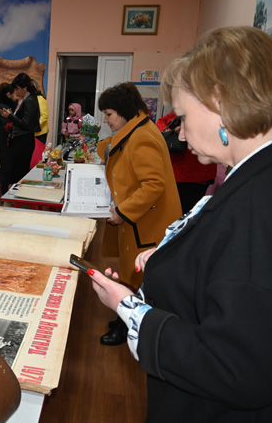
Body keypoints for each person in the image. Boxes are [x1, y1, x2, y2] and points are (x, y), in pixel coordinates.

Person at [89, 26, 272, 421]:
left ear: (219, 101)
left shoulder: (266, 204)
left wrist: (127, 308)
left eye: (181, 117)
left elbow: (238, 366)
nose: (179, 132)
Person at [95, 82, 181, 346]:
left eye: (109, 114)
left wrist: (123, 211)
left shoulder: (142, 137)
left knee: (139, 277)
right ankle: (125, 317)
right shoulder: (133, 130)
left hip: (146, 222)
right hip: (139, 219)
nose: (106, 120)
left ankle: (131, 326)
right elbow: (107, 148)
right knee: (131, 273)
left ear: (123, 111)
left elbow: (154, 184)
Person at [156, 110, 217, 214]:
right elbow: (161, 122)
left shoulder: (209, 111)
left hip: (195, 174)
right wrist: (171, 131)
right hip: (177, 171)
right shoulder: (185, 107)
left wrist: (181, 130)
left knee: (187, 212)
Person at [0, 72, 41, 187]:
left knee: (18, 174)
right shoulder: (27, 99)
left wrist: (10, 116)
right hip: (21, 139)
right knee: (16, 173)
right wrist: (12, 115)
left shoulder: (29, 100)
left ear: (24, 87)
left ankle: (14, 196)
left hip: (23, 141)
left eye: (17, 89)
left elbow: (26, 124)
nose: (15, 92)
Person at [0, 82, 17, 194]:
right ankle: (5, 195)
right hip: (6, 142)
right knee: (8, 169)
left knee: (6, 169)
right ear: (8, 94)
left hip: (3, 141)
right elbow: (8, 126)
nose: (15, 97)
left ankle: (5, 194)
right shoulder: (3, 108)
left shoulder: (0, 105)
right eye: (13, 94)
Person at [32, 79, 49, 144]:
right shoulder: (32, 98)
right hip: (34, 132)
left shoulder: (40, 99)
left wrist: (34, 127)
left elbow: (44, 116)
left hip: (40, 132)